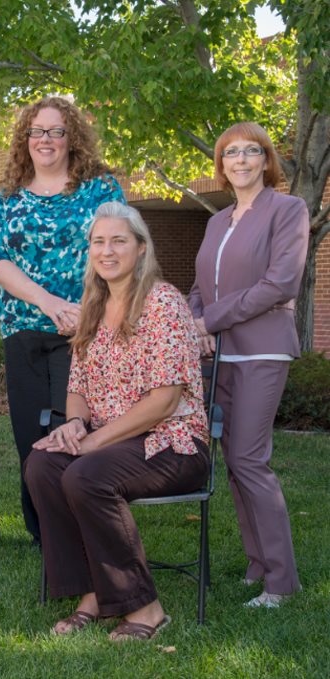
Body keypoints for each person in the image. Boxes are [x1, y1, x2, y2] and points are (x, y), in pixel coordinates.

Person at [25, 202, 209, 641]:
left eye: (118, 241)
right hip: (114, 441)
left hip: (173, 443)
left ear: (141, 249)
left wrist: (92, 442)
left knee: (85, 476)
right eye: (98, 242)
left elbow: (165, 401)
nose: (107, 251)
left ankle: (145, 610)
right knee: (43, 466)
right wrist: (73, 425)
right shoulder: (94, 303)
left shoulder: (163, 302)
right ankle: (90, 593)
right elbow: (78, 386)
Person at [0, 96, 125, 545]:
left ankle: (82, 522)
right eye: (37, 132)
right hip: (23, 327)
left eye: (56, 131)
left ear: (73, 139)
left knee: (74, 427)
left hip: (83, 330)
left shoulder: (100, 190)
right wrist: (48, 303)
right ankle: (42, 532)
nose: (45, 140)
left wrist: (85, 312)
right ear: (25, 140)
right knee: (30, 431)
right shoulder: (7, 196)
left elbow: (119, 250)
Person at [189, 122, 306, 608]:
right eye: (230, 152)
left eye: (250, 151)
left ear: (265, 160)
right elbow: (200, 286)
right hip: (219, 353)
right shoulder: (217, 220)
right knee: (233, 465)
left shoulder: (289, 209)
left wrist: (210, 320)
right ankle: (257, 563)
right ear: (221, 164)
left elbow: (280, 284)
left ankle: (281, 581)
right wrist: (193, 320)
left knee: (249, 460)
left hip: (262, 349)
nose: (240, 160)